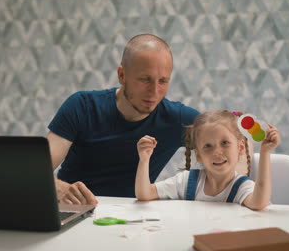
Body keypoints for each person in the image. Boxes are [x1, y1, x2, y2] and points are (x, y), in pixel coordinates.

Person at [47, 34, 200, 205]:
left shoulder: (177, 118)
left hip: (131, 218)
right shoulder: (82, 106)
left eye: (163, 81)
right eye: (145, 79)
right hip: (75, 212)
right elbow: (33, 171)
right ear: (122, 75)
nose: (154, 92)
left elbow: (231, 140)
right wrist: (60, 189)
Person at [135, 110, 280, 211]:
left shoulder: (242, 186)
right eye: (208, 146)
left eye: (224, 143)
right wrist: (144, 159)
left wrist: (265, 153)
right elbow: (144, 194)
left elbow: (259, 203)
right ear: (198, 155)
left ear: (240, 148)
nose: (217, 152)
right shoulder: (186, 182)